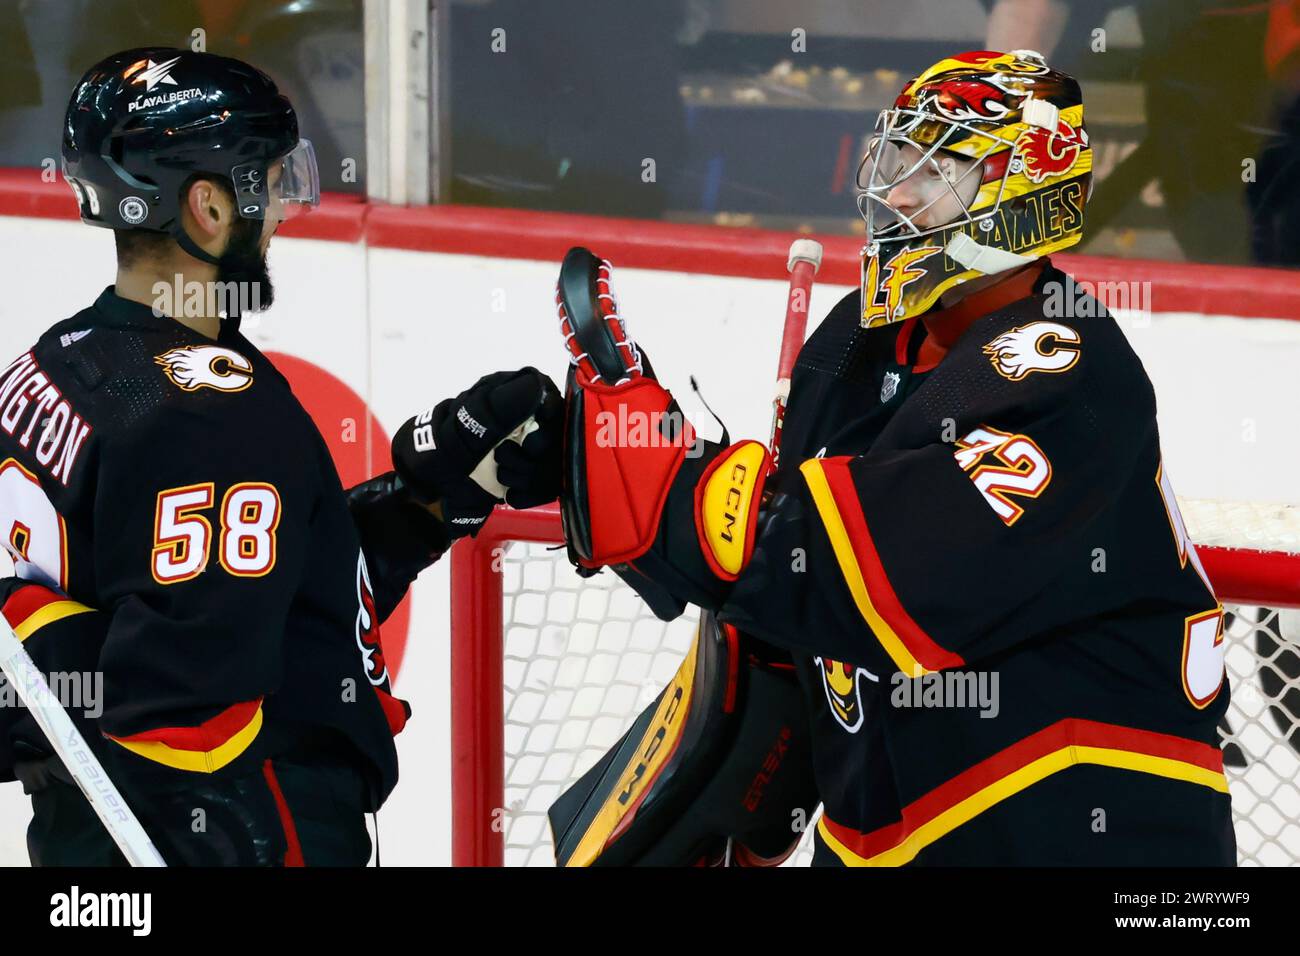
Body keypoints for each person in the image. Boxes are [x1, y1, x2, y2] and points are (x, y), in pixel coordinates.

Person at [550, 49, 1236, 866]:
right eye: (899, 158)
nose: (899, 191)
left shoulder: (1068, 370)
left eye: (941, 167)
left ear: (1027, 194)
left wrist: (662, 483)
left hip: (1089, 828)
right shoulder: (853, 342)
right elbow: (792, 607)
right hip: (901, 828)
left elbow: (860, 571)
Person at [0, 47, 562, 866]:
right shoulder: (208, 419)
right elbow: (186, 719)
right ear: (206, 208)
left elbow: (234, 604)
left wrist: (421, 509)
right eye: (268, 181)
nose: (285, 212)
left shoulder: (52, 365)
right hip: (227, 837)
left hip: (86, 847)